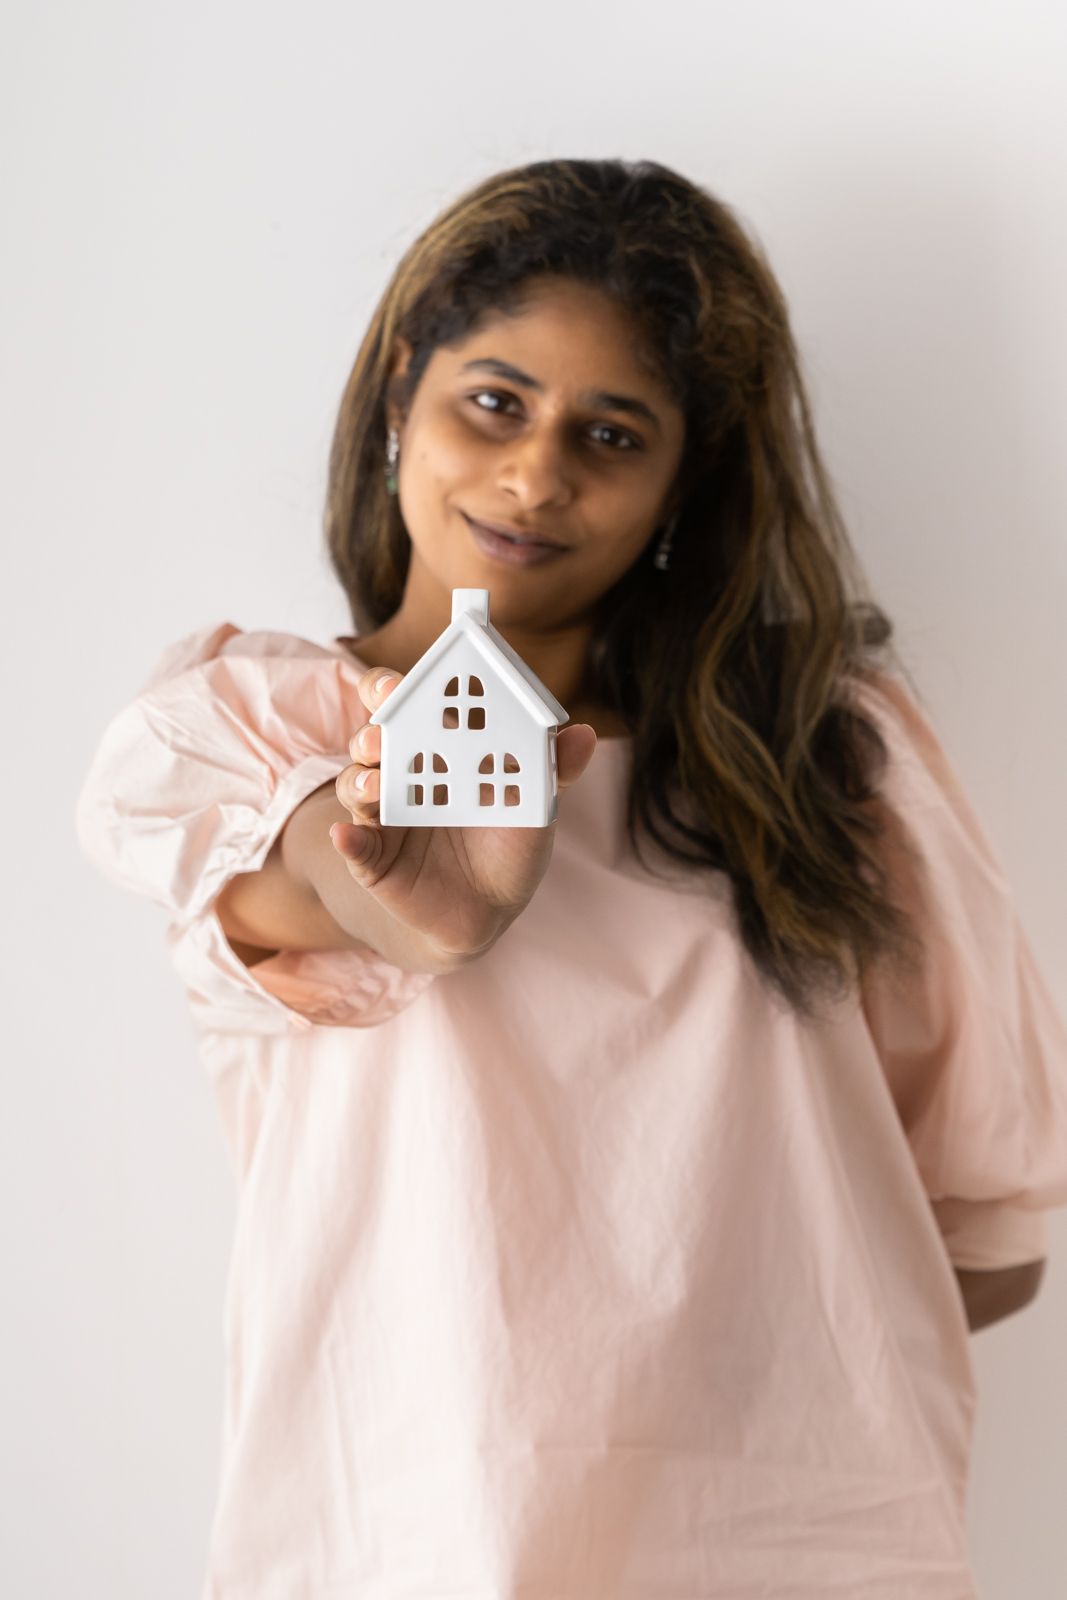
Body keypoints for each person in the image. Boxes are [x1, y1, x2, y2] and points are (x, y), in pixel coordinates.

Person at [77, 159, 1067, 1599]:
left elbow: (994, 1223)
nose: (538, 475)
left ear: (684, 477)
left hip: (808, 1547)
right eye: (497, 401)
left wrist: (720, 1353)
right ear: (404, 377)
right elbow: (306, 891)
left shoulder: (828, 756)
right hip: (408, 1545)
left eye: (613, 433)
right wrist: (421, 904)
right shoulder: (245, 728)